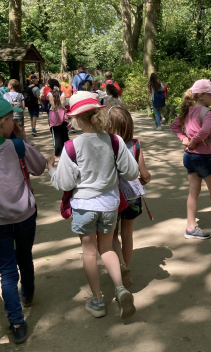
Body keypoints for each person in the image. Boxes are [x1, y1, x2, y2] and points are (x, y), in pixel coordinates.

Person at [46, 91, 139, 319]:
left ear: (76, 118)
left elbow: (65, 182)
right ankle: (119, 288)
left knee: (89, 252)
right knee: (107, 248)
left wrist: (51, 170)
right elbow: (132, 172)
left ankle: (97, 301)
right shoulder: (115, 141)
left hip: (84, 206)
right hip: (109, 206)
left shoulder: (71, 147)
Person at [0, 99, 47, 343]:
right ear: (1, 123)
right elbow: (39, 167)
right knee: (24, 256)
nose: (14, 123)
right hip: (24, 215)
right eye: (10, 120)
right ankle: (27, 293)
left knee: (6, 271)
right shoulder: (16, 146)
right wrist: (23, 140)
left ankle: (17, 323)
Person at [170, 79, 211, 240]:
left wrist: (183, 138)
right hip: (203, 157)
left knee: (194, 191)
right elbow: (206, 130)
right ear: (200, 96)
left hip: (189, 157)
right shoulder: (207, 113)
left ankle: (191, 227)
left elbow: (174, 126)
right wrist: (193, 141)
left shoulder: (188, 111)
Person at [107, 107, 152, 288]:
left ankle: (119, 267)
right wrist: (145, 180)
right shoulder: (136, 145)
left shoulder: (107, 144)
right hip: (132, 196)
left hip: (112, 196)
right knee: (127, 235)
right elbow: (145, 174)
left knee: (111, 235)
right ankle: (125, 267)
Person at [46, 79, 69, 157]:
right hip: (62, 114)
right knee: (64, 132)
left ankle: (58, 152)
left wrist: (54, 107)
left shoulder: (49, 93)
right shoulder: (62, 93)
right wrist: (62, 107)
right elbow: (63, 102)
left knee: (56, 134)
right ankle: (67, 150)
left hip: (53, 114)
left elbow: (51, 102)